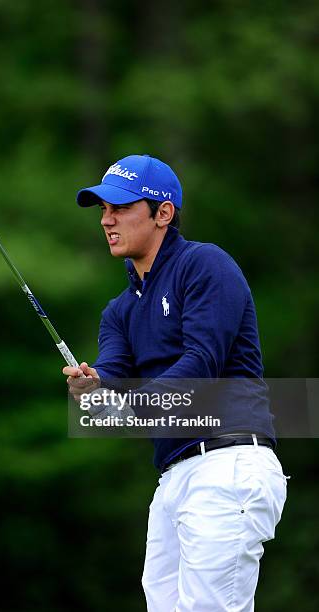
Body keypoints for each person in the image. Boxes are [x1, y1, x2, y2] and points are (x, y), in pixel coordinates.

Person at [62, 154, 288, 611]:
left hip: (229, 463)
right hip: (174, 476)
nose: (107, 220)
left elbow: (201, 365)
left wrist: (126, 402)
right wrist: (93, 389)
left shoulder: (205, 265)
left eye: (121, 208)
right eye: (103, 210)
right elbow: (114, 382)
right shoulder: (118, 312)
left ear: (163, 213)